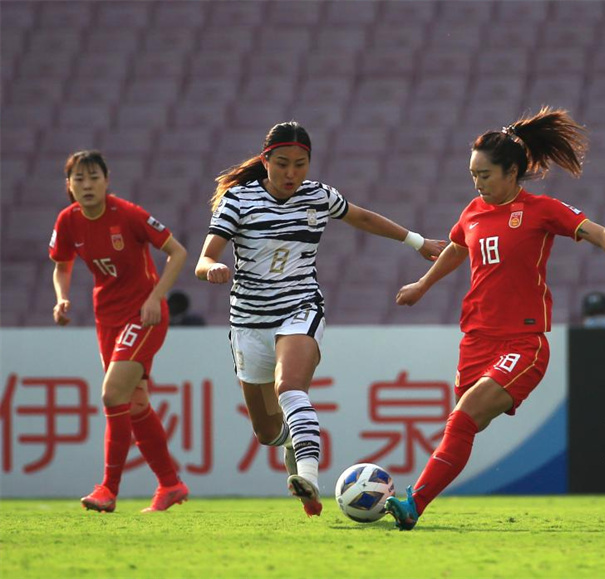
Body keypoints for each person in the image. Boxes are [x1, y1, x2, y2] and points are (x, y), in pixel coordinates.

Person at [386, 106, 605, 530]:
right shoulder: (472, 212)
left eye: (484, 174)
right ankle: (416, 501)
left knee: (463, 417)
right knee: (462, 425)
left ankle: (413, 503)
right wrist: (422, 285)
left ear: (511, 172)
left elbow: (595, 230)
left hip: (523, 343)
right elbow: (456, 247)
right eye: (472, 174)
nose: (477, 182)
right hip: (476, 339)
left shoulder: (540, 210)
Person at [194, 121, 445, 517]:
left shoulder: (319, 196)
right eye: (281, 164)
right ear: (265, 161)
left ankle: (309, 474)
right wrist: (210, 267)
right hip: (248, 320)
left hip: (300, 308)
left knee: (289, 386)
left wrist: (417, 242)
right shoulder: (238, 201)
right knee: (265, 432)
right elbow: (205, 256)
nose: (291, 173)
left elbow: (362, 217)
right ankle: (293, 442)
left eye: (300, 164)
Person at [49, 150, 190, 513]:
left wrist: (156, 298)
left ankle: (108, 489)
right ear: (69, 186)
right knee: (135, 403)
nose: (87, 184)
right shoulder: (68, 221)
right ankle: (171, 485)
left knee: (113, 395)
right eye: (79, 179)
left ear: (107, 181)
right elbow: (62, 267)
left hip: (144, 314)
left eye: (93, 176)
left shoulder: (127, 214)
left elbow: (177, 252)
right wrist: (62, 298)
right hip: (106, 318)